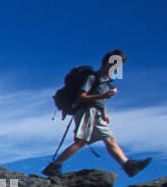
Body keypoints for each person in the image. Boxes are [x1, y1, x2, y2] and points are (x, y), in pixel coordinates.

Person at [43, 50, 151, 179]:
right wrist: (103, 96)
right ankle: (54, 166)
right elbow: (80, 97)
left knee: (110, 138)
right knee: (81, 141)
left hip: (96, 113)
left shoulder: (106, 81)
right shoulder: (92, 78)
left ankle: (129, 166)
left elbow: (100, 100)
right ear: (107, 63)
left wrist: (104, 112)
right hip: (86, 111)